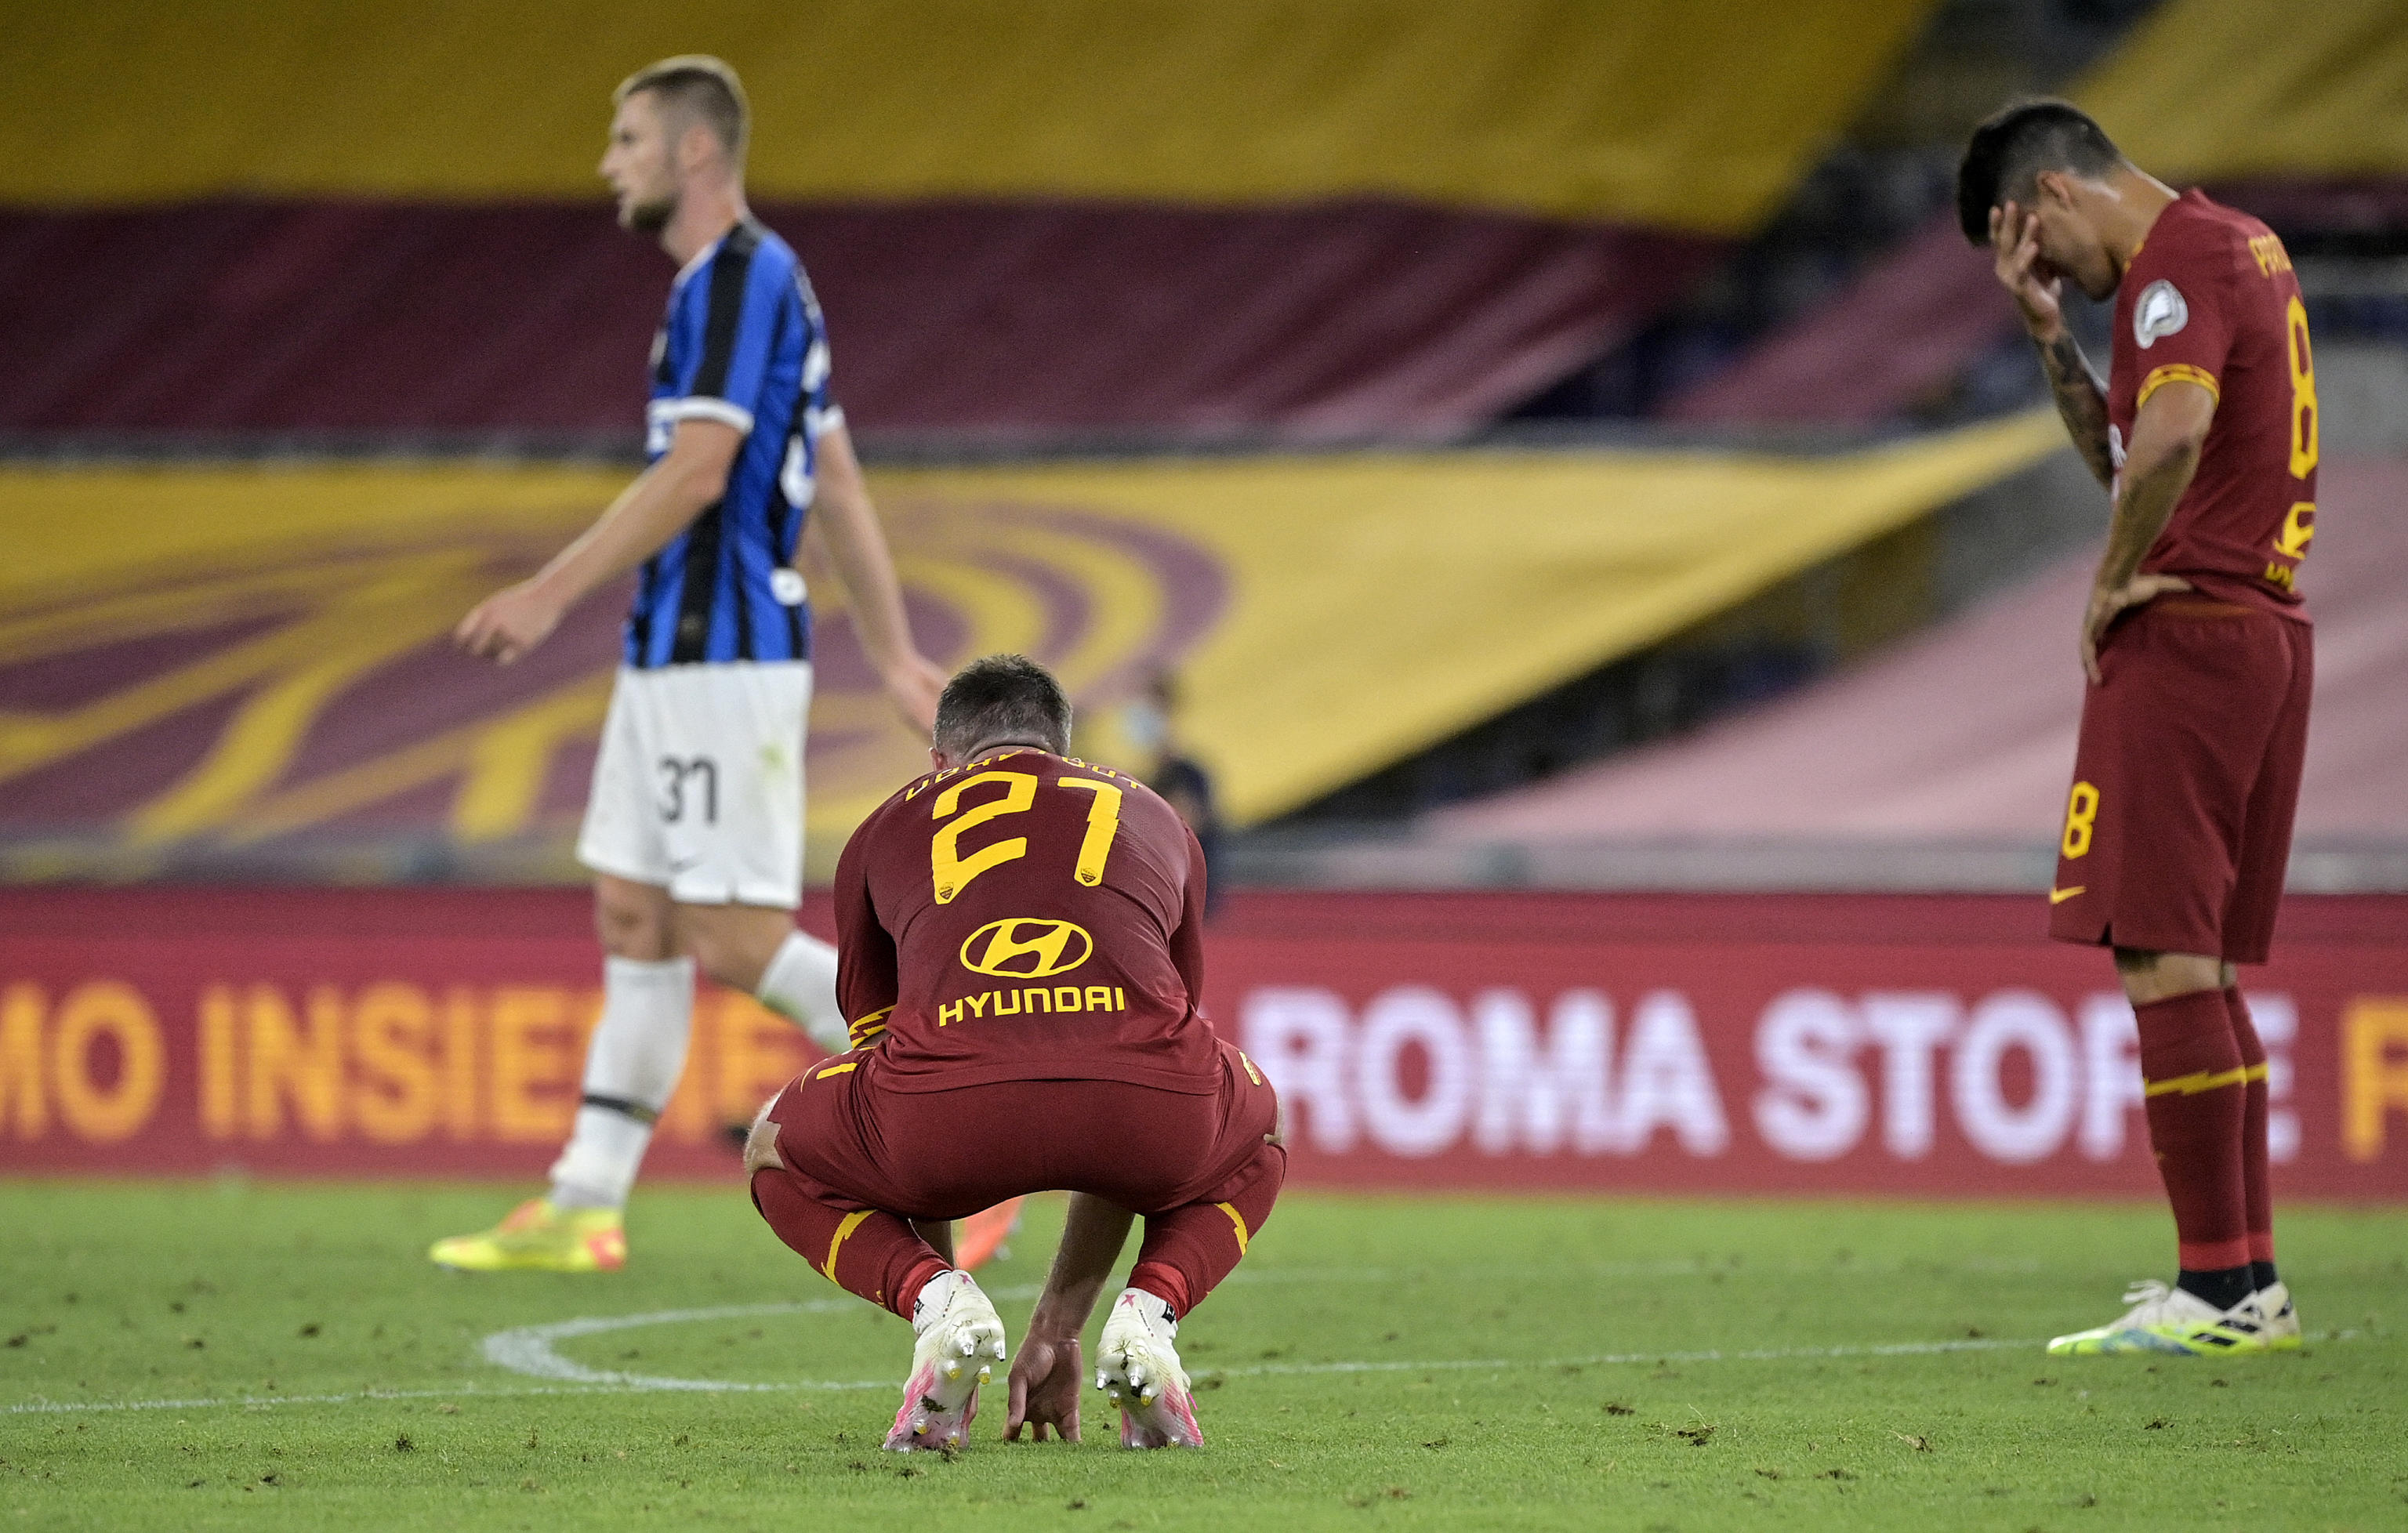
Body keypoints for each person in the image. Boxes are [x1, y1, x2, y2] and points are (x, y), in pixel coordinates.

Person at [433, 56, 947, 1273]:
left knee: (730, 937)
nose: (608, 164)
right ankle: (585, 1204)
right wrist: (892, 652)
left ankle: (960, 1121)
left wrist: (549, 591)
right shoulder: (748, 288)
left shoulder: (738, 277)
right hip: (668, 653)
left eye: (627, 140)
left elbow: (702, 469)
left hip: (724, 654)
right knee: (636, 915)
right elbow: (838, 479)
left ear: (695, 150)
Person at [1960, 100, 2314, 1356]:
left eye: (2036, 249)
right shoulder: (2238, 246)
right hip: (2258, 626)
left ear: (2052, 194)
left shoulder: (2181, 261)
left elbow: (2172, 436)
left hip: (2194, 631)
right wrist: (2046, 333)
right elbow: (2128, 459)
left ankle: (2216, 1292)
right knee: (2196, 963)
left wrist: (2111, 584)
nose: (2050, 271)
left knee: (2160, 956)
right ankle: (2247, 1286)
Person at [741, 654, 1284, 1450]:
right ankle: (1149, 1316)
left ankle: (938, 1307)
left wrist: (940, 1295)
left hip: (944, 1124)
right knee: (1258, 1131)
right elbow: (1155, 1040)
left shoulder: (883, 828)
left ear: (940, 759)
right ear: (1061, 750)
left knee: (772, 1148)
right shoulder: (1158, 815)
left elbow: (889, 1055)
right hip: (1145, 1113)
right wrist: (1060, 1327)